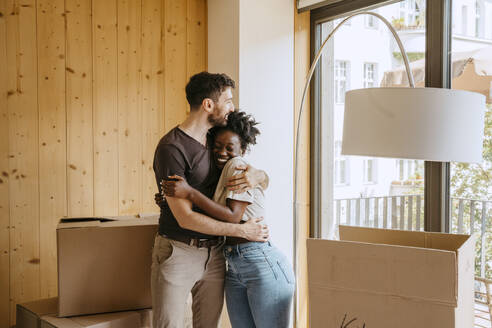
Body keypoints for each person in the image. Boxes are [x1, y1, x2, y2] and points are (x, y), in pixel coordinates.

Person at [152, 72, 270, 328]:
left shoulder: (217, 138)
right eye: (227, 100)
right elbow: (186, 217)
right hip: (179, 250)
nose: (232, 107)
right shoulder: (171, 148)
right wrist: (243, 230)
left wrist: (257, 174)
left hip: (216, 253)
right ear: (208, 105)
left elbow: (243, 162)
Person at [162, 111, 295, 328]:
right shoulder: (219, 171)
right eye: (217, 146)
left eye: (229, 147)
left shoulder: (237, 166)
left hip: (261, 261)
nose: (221, 152)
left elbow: (233, 217)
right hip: (233, 264)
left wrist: (189, 193)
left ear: (241, 149)